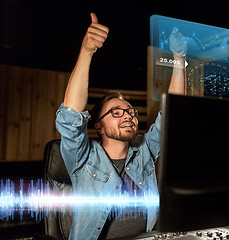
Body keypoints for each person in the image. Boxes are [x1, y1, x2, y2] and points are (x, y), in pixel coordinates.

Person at [55, 13, 185, 240]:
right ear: (100, 127)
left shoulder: (144, 150)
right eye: (116, 112)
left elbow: (173, 113)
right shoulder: (83, 158)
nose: (128, 115)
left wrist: (178, 58)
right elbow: (71, 115)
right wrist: (87, 51)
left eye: (131, 112)